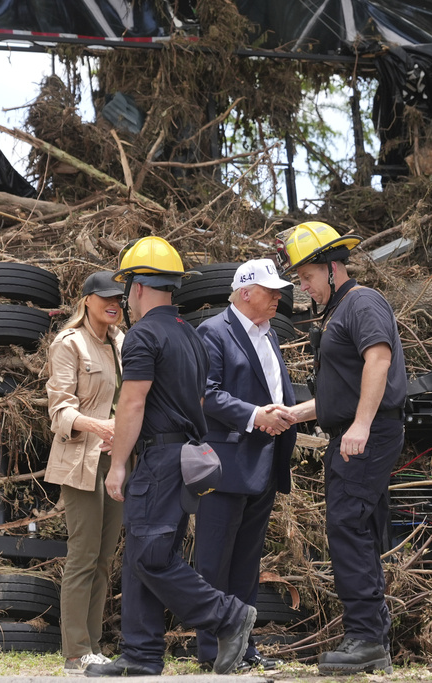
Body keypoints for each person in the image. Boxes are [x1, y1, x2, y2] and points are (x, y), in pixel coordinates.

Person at [84, 236, 257, 677]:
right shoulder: (190, 335)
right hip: (183, 459)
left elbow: (133, 402)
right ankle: (141, 655)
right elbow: (193, 401)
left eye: (126, 289)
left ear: (138, 287)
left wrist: (118, 465)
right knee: (144, 556)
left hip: (159, 462)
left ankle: (227, 616)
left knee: (150, 556)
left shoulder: (142, 335)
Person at [276, 221, 406, 676]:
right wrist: (292, 414)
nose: (304, 287)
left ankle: (365, 639)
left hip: (366, 434)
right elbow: (343, 392)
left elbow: (379, 360)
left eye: (308, 276)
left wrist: (362, 425)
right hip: (353, 431)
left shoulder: (362, 302)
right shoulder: (337, 312)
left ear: (333, 268)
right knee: (357, 529)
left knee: (347, 526)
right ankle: (373, 639)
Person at [193, 259, 298, 672]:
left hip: (264, 463)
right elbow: (205, 394)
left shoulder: (269, 334)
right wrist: (257, 415)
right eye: (271, 291)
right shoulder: (213, 332)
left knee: (246, 564)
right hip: (226, 465)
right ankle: (211, 650)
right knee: (214, 562)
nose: (278, 299)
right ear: (246, 292)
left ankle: (242, 647)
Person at [45, 271, 125, 675]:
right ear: (87, 300)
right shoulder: (69, 343)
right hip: (80, 460)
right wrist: (100, 426)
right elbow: (59, 410)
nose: (114, 304)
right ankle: (76, 652)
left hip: (118, 460)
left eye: (119, 298)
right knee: (83, 555)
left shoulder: (123, 342)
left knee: (105, 558)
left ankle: (93, 648)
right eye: (106, 297)